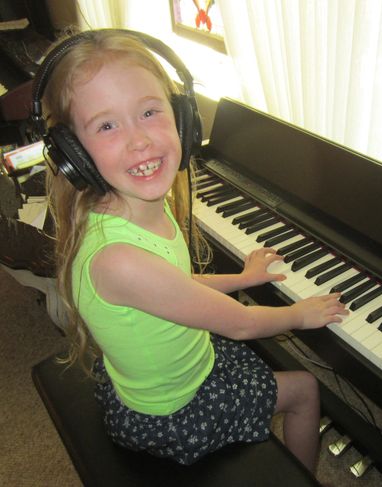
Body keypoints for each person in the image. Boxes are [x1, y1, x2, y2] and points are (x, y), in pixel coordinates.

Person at [41, 29, 347, 472]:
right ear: (73, 153)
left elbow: (175, 287)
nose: (139, 141)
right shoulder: (119, 259)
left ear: (182, 118)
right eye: (107, 125)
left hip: (172, 370)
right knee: (304, 388)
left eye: (149, 112)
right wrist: (302, 315)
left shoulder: (132, 203)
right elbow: (241, 324)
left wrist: (243, 278)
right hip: (173, 412)